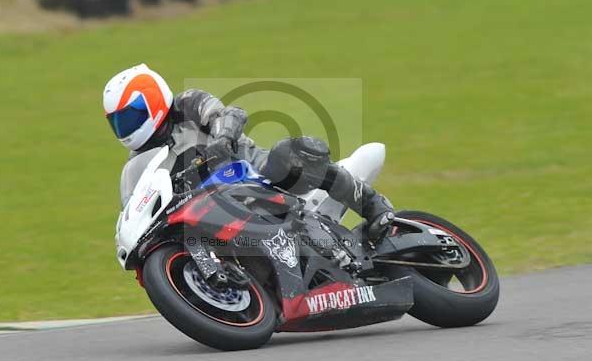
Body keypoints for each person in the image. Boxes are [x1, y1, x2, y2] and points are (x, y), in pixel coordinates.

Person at [103, 63, 394, 241]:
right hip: (214, 211)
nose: (125, 126)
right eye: (117, 121)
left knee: (289, 155)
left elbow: (226, 113)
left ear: (152, 100)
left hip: (256, 174)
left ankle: (373, 206)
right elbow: (133, 209)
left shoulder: (187, 105)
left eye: (129, 115)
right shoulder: (136, 166)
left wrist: (223, 137)